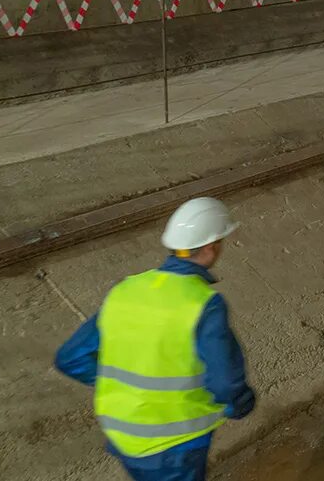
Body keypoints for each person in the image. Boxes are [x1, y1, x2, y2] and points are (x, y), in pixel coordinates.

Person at [54, 197, 256, 481]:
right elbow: (225, 383)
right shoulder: (202, 303)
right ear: (211, 247)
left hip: (123, 436)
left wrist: (125, 388)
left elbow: (70, 358)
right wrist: (241, 404)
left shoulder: (126, 291)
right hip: (173, 444)